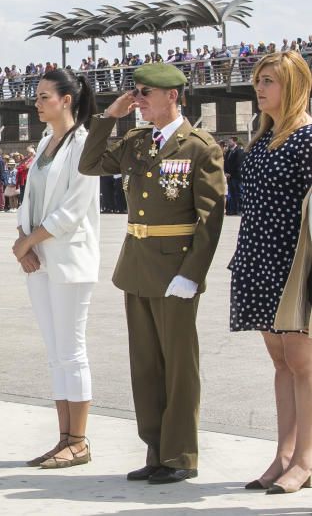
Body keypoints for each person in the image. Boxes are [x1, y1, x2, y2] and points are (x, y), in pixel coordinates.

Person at [79, 62, 225, 484]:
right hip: (138, 266)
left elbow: (210, 218)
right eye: (136, 92)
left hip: (176, 270)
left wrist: (192, 274)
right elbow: (90, 164)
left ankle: (180, 455)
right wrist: (110, 117)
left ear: (172, 96)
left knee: (179, 366)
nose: (138, 100)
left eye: (145, 93)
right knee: (145, 365)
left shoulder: (199, 146)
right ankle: (156, 449)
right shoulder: (137, 140)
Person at [229, 51, 312, 495]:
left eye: (269, 81)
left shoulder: (307, 138)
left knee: (303, 363)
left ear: (294, 85)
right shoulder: (261, 141)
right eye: (258, 80)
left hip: (294, 262)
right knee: (280, 362)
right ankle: (283, 453)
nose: (259, 88)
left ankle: (305, 459)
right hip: (259, 258)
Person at [13, 69, 100, 469]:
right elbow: (29, 199)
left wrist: (29, 242)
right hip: (40, 260)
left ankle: (79, 440)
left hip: (68, 259)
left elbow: (72, 210)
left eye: (45, 96)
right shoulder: (47, 141)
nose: (38, 102)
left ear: (67, 100)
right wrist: (22, 237)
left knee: (72, 350)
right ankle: (63, 437)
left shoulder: (84, 144)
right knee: (55, 353)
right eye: (38, 96)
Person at [224, 136, 245, 215]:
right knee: (232, 194)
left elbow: (238, 164)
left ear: (235, 142)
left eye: (230, 141)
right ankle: (233, 210)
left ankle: (241, 209)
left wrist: (231, 173)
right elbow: (225, 163)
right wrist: (226, 172)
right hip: (230, 177)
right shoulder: (228, 152)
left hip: (236, 176)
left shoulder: (239, 151)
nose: (228, 143)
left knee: (239, 193)